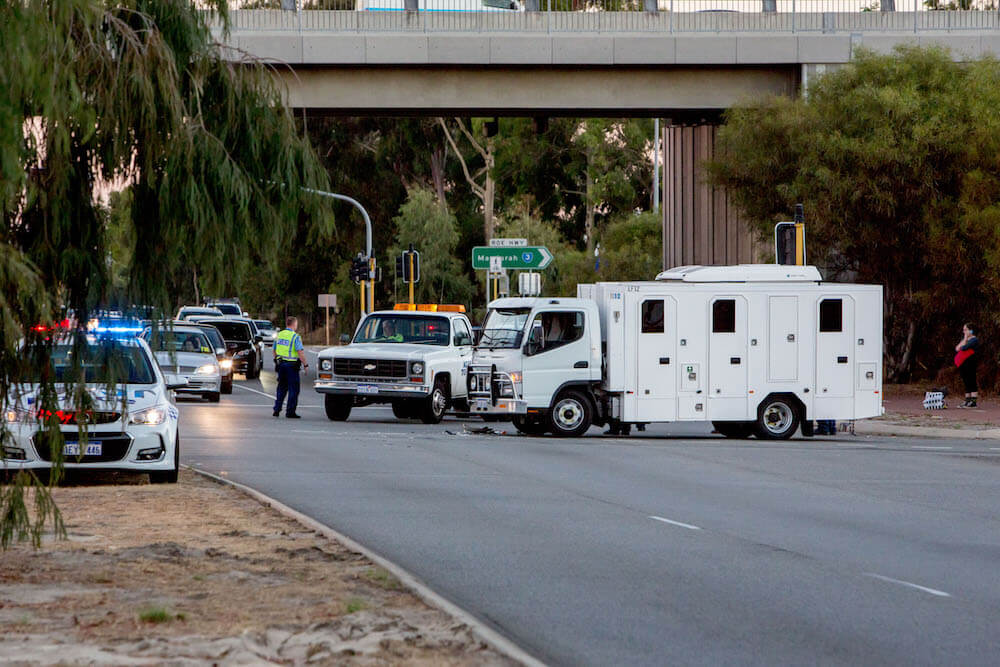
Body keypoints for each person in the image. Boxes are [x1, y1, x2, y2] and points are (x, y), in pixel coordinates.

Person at [273, 316, 308, 418]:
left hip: (281, 365)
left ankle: (277, 409)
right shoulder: (295, 337)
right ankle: (290, 411)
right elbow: (300, 352)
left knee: (281, 388)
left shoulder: (279, 335)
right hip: (292, 366)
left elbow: (274, 350)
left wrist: (276, 360)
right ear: (294, 324)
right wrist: (305, 364)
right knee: (293, 389)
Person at [954, 322, 979, 408]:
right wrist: (964, 339)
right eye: (963, 330)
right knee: (966, 381)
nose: (964, 331)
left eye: (965, 330)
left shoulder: (974, 340)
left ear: (971, 331)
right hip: (963, 364)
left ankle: (973, 401)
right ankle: (967, 400)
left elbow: (964, 348)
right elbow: (957, 348)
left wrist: (964, 341)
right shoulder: (965, 339)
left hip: (970, 363)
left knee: (971, 380)